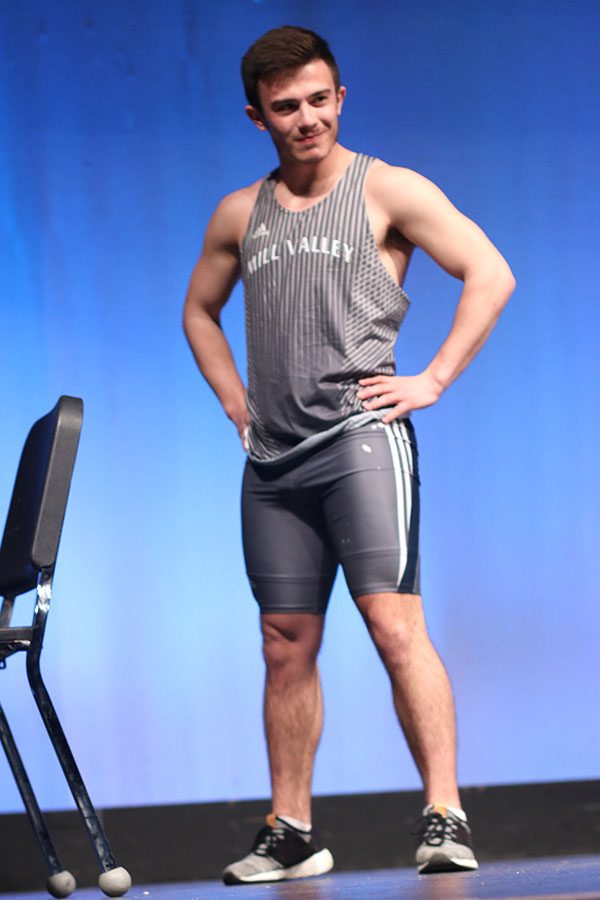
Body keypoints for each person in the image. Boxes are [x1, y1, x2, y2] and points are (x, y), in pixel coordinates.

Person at [183, 25, 515, 885]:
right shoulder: (238, 212)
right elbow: (199, 310)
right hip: (275, 462)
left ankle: (444, 810)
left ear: (339, 99)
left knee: (393, 624)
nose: (306, 119)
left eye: (319, 100)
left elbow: (489, 271)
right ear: (257, 116)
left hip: (361, 441)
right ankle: (290, 830)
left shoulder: (387, 190)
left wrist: (434, 379)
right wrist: (233, 400)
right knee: (283, 641)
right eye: (286, 107)